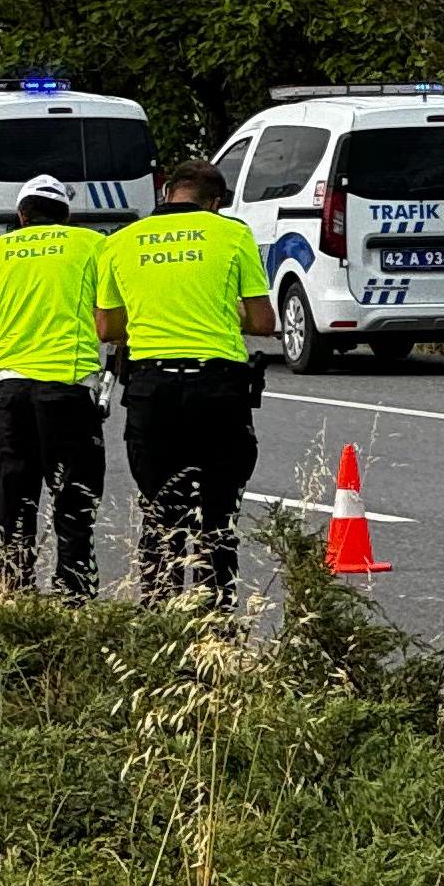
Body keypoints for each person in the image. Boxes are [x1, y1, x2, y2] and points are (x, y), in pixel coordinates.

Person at [95, 158, 274, 602]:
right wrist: (218, 311)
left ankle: (160, 615)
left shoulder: (119, 242)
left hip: (151, 389)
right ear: (214, 203)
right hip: (217, 389)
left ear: (167, 193)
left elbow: (108, 328)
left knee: (161, 513)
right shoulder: (232, 235)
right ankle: (215, 622)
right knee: (218, 517)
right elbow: (263, 320)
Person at [0, 173, 108, 598]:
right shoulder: (93, 246)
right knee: (74, 509)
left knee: (12, 510)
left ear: (22, 216)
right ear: (67, 216)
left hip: (12, 396)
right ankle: (74, 601)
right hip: (70, 391)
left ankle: (14, 599)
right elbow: (110, 321)